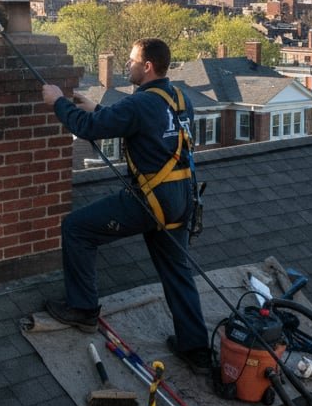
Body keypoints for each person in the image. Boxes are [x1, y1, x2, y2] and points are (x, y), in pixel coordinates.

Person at [40, 37, 211, 373]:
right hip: (182, 199)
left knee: (76, 228)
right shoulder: (178, 98)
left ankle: (84, 309)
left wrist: (58, 102)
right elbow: (139, 126)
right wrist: (99, 109)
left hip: (150, 199)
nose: (127, 66)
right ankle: (197, 351)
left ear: (147, 66)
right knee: (178, 272)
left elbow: (88, 129)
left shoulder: (140, 103)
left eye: (132, 61)